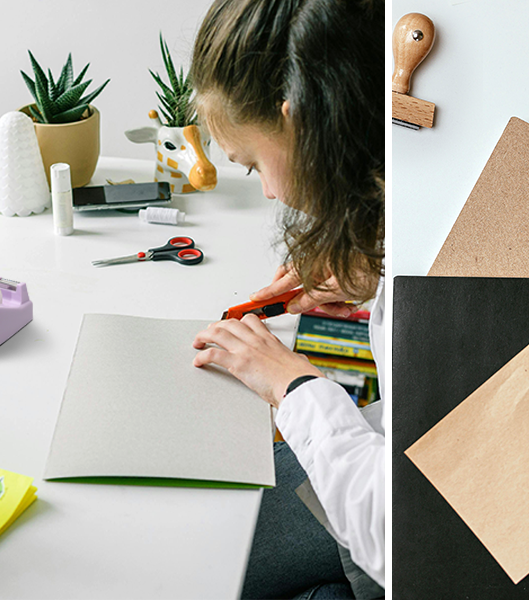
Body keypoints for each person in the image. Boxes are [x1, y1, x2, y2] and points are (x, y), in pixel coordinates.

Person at [186, 0, 386, 597]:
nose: (273, 193)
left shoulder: (443, 288)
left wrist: (292, 386)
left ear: (299, 121)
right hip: (378, 470)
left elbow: (408, 536)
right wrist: (370, 278)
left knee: (198, 566)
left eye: (253, 165)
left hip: (401, 539)